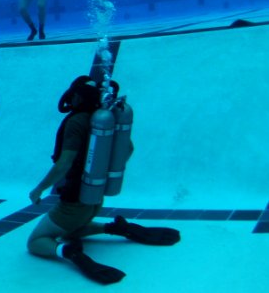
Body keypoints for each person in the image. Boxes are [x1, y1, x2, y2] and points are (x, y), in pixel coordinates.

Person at [27, 75, 180, 284]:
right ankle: (114, 228)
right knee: (69, 230)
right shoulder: (104, 118)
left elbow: (65, 163)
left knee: (36, 242)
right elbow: (128, 148)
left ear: (78, 97)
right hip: (95, 197)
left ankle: (69, 252)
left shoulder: (76, 121)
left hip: (74, 201)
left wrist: (39, 189)